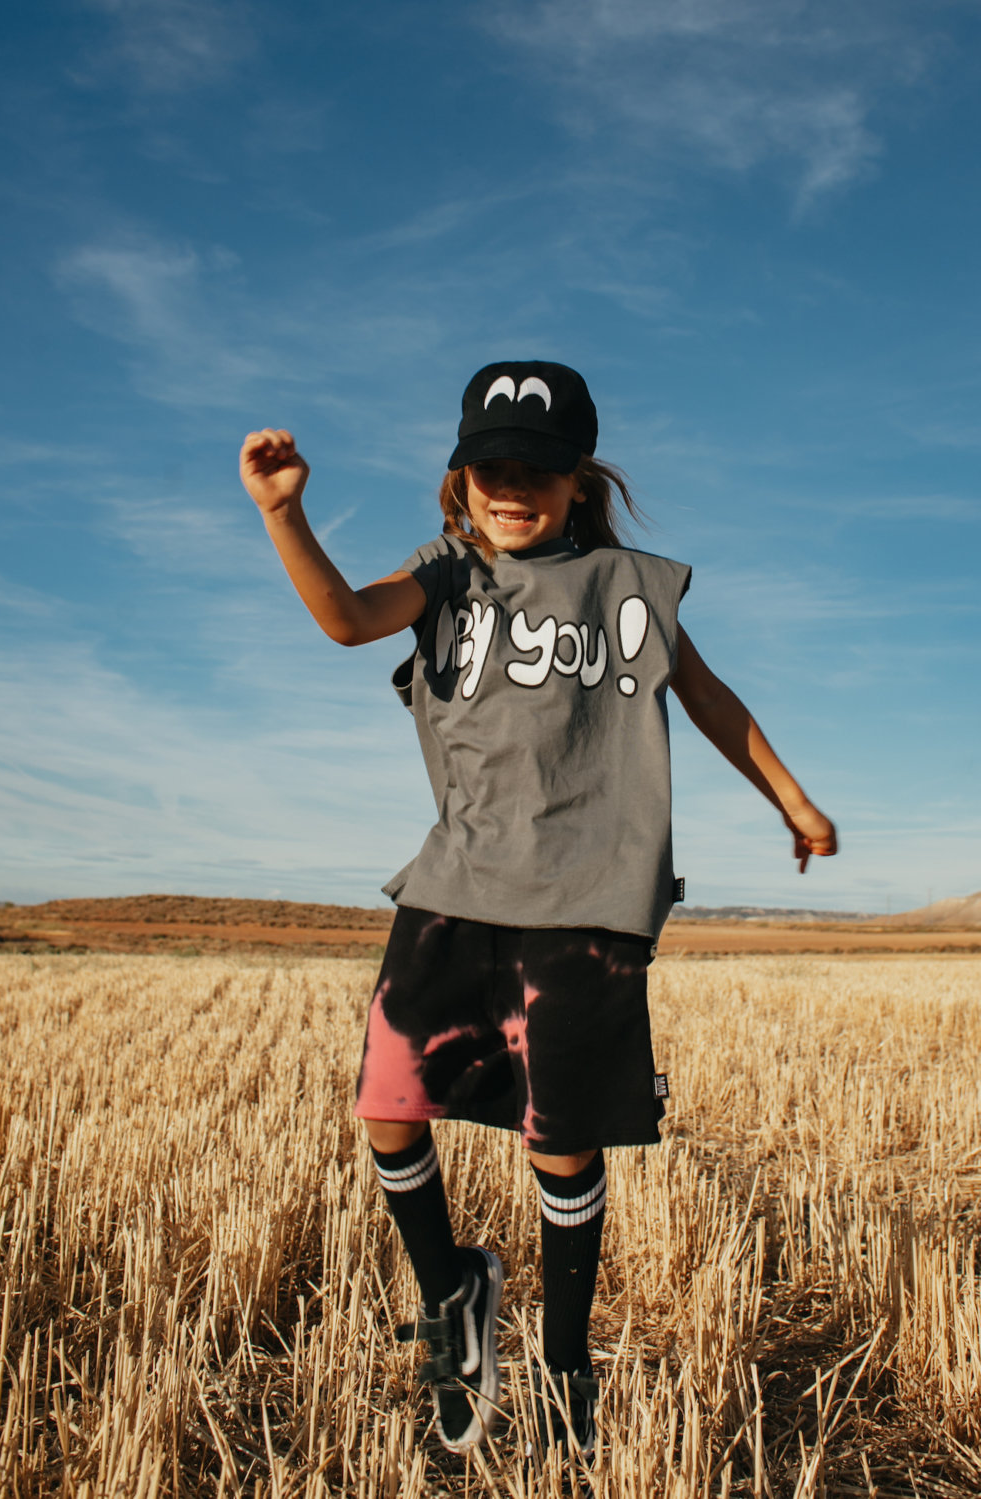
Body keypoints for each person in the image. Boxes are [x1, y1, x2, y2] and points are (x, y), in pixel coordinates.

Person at [239, 361, 837, 1460]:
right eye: (493, 469)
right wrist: (287, 516)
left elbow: (705, 695)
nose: (514, 489)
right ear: (461, 480)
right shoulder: (445, 575)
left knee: (559, 1145)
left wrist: (791, 799)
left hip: (590, 898)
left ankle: (566, 1361)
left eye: (539, 471)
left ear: (577, 481)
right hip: (455, 883)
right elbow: (344, 617)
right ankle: (455, 1300)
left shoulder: (624, 583)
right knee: (387, 1105)